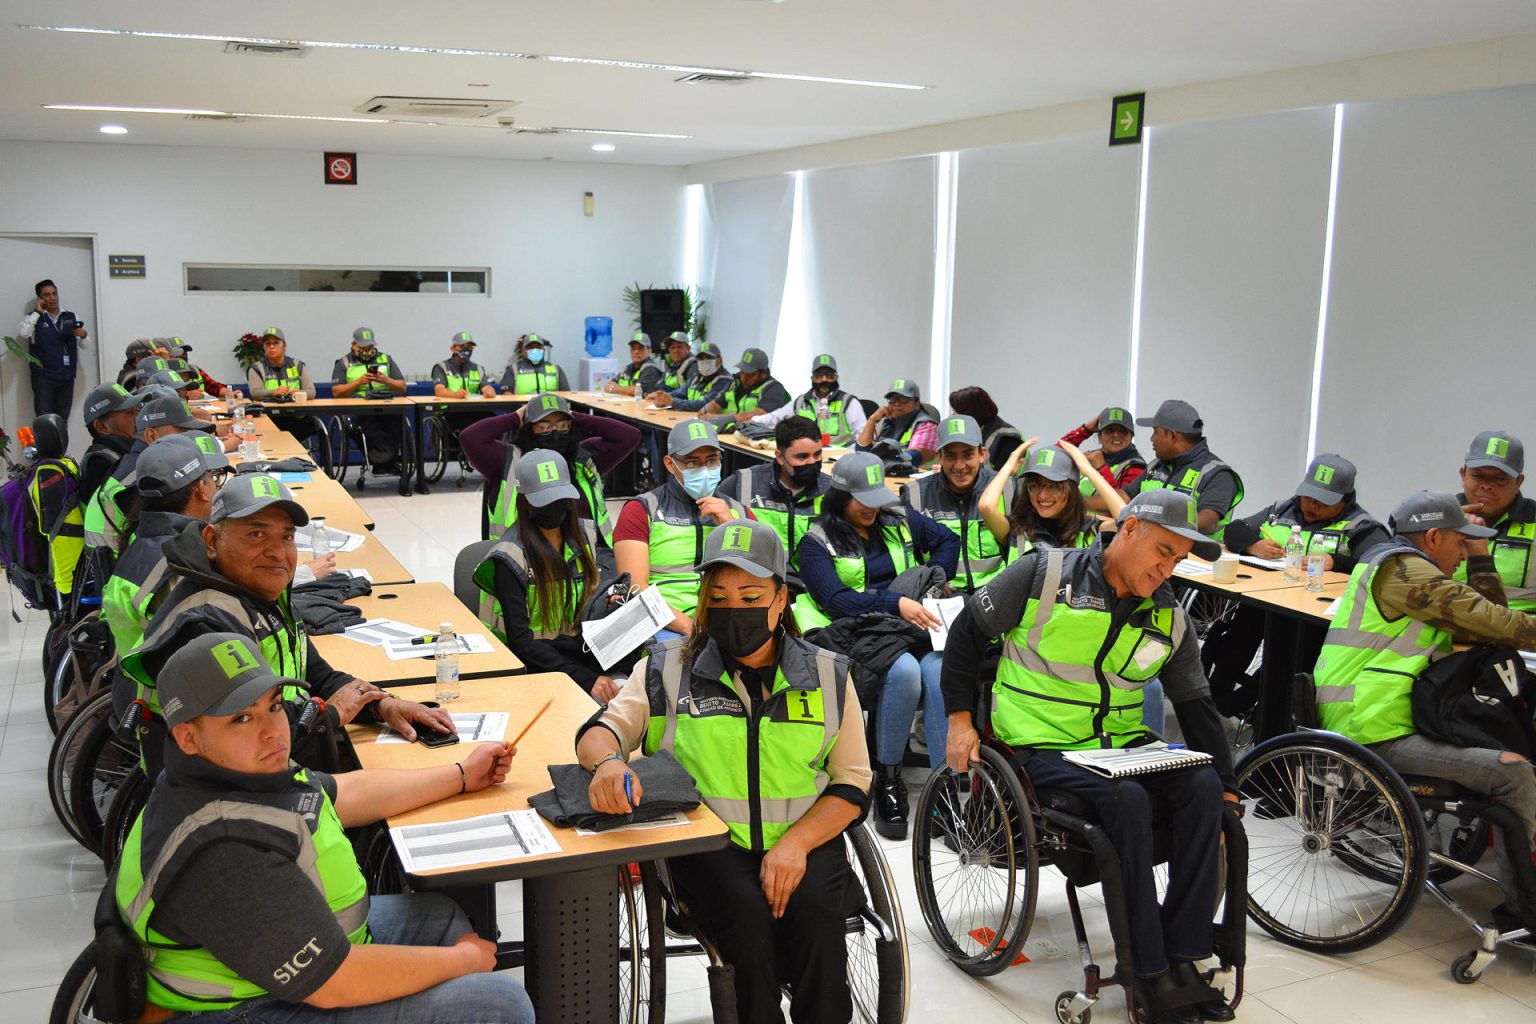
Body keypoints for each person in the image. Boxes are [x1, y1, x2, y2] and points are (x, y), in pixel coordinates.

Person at [116, 632, 534, 1024]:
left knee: (441, 918)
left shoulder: (231, 770)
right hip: (242, 1008)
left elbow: (344, 793)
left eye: (274, 705)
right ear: (187, 736)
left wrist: (462, 774)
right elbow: (335, 981)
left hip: (283, 957)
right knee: (498, 1004)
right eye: (242, 718)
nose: (273, 731)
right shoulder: (221, 849)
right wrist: (464, 961)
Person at [943, 490, 1240, 1024]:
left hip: (1121, 747)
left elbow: (1197, 706)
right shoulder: (1043, 574)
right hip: (1039, 746)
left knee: (1202, 790)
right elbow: (966, 633)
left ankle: (1184, 953)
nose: (1167, 568)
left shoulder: (1168, 615)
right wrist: (960, 720)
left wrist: (1227, 783)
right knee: (1124, 801)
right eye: (1162, 550)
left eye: (1177, 558)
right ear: (1127, 531)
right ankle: (1146, 971)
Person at [576, 519, 869, 1024]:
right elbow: (601, 731)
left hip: (806, 840)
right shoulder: (666, 668)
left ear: (781, 600)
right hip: (710, 848)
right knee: (747, 927)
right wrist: (605, 764)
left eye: (751, 596)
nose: (736, 611)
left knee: (819, 927)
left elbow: (852, 781)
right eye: (721, 596)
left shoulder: (827, 674)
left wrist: (795, 846)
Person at [120, 474, 452, 780]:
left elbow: (317, 675)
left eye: (287, 537)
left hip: (285, 755)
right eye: (256, 533)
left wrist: (383, 705)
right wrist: (332, 714)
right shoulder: (206, 624)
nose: (278, 553)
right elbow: (253, 734)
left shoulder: (259, 595)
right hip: (225, 788)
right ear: (211, 540)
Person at [1314, 491, 1536, 931]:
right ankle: (1524, 909)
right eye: (1459, 543)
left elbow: (1493, 624)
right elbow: (1493, 621)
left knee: (1512, 735)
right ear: (1433, 536)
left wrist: (1476, 552)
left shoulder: (1411, 568)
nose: (1461, 553)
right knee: (1514, 770)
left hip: (1395, 717)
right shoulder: (1403, 571)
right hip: (1372, 727)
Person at [794, 452, 958, 838]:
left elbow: (948, 541)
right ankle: (887, 779)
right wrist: (895, 602)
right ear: (839, 497)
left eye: (876, 499)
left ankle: (944, 789)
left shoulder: (897, 518)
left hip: (909, 624)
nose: (872, 508)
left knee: (937, 671)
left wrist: (931, 580)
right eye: (862, 501)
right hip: (857, 630)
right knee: (903, 673)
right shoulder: (815, 543)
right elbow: (835, 601)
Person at [473, 450, 620, 702]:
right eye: (544, 501)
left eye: (561, 498)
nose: (555, 507)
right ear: (524, 502)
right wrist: (586, 679)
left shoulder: (585, 536)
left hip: (579, 654)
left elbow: (586, 603)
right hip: (532, 666)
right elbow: (522, 644)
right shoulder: (511, 557)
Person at [614, 419, 749, 640]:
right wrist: (687, 625)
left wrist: (729, 525)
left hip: (727, 617)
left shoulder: (737, 512)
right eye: (693, 463)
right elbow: (635, 586)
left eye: (712, 460)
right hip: (664, 621)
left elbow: (759, 574)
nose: (704, 470)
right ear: (670, 464)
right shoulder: (642, 509)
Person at [100, 433, 229, 654]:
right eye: (215, 479)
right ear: (201, 489)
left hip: (136, 683)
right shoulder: (185, 565)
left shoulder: (136, 543)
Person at [463, 392, 640, 549]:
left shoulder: (584, 458)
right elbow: (470, 438)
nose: (555, 432)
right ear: (529, 428)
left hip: (589, 554)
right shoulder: (507, 460)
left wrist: (574, 416)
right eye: (544, 426)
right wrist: (516, 418)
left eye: (562, 425)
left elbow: (630, 436)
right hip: (523, 555)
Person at [84, 395, 218, 554]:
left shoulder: (140, 464)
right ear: (151, 436)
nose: (191, 440)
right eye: (183, 432)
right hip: (121, 567)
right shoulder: (146, 480)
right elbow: (175, 539)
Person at [902, 414, 1012, 593]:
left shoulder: (1007, 489)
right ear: (939, 456)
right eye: (951, 456)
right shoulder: (915, 495)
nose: (959, 466)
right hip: (940, 596)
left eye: (968, 455)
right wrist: (930, 582)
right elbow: (909, 559)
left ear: (982, 454)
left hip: (997, 596)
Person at [717, 415, 830, 589]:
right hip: (758, 581)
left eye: (817, 454)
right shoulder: (744, 483)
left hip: (813, 585)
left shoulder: (831, 490)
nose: (812, 462)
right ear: (779, 456)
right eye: (802, 457)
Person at [1120, 399, 1244, 541]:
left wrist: (1150, 522)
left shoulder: (1217, 474)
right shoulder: (1156, 466)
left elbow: (1207, 522)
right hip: (1151, 550)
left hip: (1193, 559)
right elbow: (1123, 497)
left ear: (1173, 436)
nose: (1151, 439)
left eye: (1155, 432)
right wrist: (1088, 502)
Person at [981, 440, 1125, 560]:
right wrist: (1007, 467)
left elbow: (1127, 521)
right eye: (1034, 486)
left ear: (1071, 490)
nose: (1042, 495)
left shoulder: (1090, 530)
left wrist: (1088, 470)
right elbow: (986, 506)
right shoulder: (1016, 530)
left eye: (1053, 486)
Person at [1455, 431, 1536, 612]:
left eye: (1500, 479)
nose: (1486, 485)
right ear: (1463, 474)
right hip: (1446, 632)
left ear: (1518, 482)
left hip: (1521, 633)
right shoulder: (1434, 520)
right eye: (1478, 476)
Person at [331, 327, 407, 474]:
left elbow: (402, 387)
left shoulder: (386, 360)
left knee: (398, 419)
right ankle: (383, 460)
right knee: (368, 421)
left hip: (385, 404)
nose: (367, 350)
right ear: (354, 345)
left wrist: (386, 380)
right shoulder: (343, 363)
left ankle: (385, 460)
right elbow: (336, 392)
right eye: (363, 347)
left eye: (370, 347)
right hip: (359, 407)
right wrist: (358, 382)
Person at [748, 353, 868, 446]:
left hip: (838, 462)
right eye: (818, 375)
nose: (824, 379)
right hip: (806, 459)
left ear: (836, 378)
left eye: (829, 375)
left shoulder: (849, 403)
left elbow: (863, 437)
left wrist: (848, 457)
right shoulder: (801, 402)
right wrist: (750, 422)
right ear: (812, 378)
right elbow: (775, 418)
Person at [17, 278, 86, 418]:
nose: (52, 298)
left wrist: (84, 335)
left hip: (66, 377)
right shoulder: (34, 318)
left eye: (54, 293)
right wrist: (37, 312)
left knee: (62, 419)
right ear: (40, 298)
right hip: (44, 378)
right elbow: (24, 333)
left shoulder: (71, 316)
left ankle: (61, 441)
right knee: (44, 420)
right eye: (47, 295)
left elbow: (85, 345)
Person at [1061, 406, 1148, 495]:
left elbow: (1121, 504)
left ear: (1131, 436)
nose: (1116, 435)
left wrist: (1102, 468)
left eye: (1122, 430)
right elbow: (1054, 455)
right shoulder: (1091, 457)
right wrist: (1086, 430)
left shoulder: (1136, 467)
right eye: (1109, 430)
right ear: (1099, 437)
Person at [79, 383, 144, 502]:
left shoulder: (127, 451)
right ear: (101, 426)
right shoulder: (99, 464)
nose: (139, 417)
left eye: (138, 411)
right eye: (129, 413)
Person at [430, 332, 498, 440]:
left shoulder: (478, 368)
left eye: (470, 347)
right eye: (462, 347)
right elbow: (439, 390)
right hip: (451, 411)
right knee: (469, 426)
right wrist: (454, 395)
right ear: (453, 348)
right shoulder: (442, 367)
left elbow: (486, 387)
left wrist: (490, 391)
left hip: (475, 409)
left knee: (495, 422)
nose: (467, 350)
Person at [856, 378, 937, 465]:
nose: (896, 404)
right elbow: (862, 451)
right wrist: (871, 420)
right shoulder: (886, 421)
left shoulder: (927, 425)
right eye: (892, 399)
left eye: (903, 399)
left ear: (916, 403)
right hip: (887, 472)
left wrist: (875, 459)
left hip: (914, 475)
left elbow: (914, 458)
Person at [701, 347, 791, 422]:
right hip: (732, 435)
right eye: (742, 372)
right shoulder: (735, 384)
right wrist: (705, 412)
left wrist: (719, 418)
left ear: (763, 373)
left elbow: (757, 417)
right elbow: (714, 405)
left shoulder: (773, 389)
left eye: (750, 374)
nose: (744, 378)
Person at [948, 385, 1022, 472]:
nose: (952, 417)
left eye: (955, 413)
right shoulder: (975, 433)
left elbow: (1002, 479)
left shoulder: (1006, 439)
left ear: (971, 413)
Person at [648, 341, 731, 412]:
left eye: (708, 357)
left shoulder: (724, 380)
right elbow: (679, 393)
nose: (704, 361)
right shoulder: (697, 377)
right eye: (700, 358)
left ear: (720, 360)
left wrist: (673, 402)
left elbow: (706, 405)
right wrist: (662, 398)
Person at [501, 332, 570, 394]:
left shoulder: (556, 370)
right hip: (523, 407)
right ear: (523, 351)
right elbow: (507, 396)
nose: (535, 350)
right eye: (530, 347)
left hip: (551, 407)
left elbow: (566, 394)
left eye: (538, 347)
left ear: (543, 350)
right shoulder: (513, 370)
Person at [605, 331, 663, 396]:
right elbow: (607, 386)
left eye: (640, 348)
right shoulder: (627, 368)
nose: (636, 352)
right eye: (633, 348)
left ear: (649, 350)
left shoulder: (652, 370)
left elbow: (636, 391)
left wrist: (614, 389)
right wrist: (625, 390)